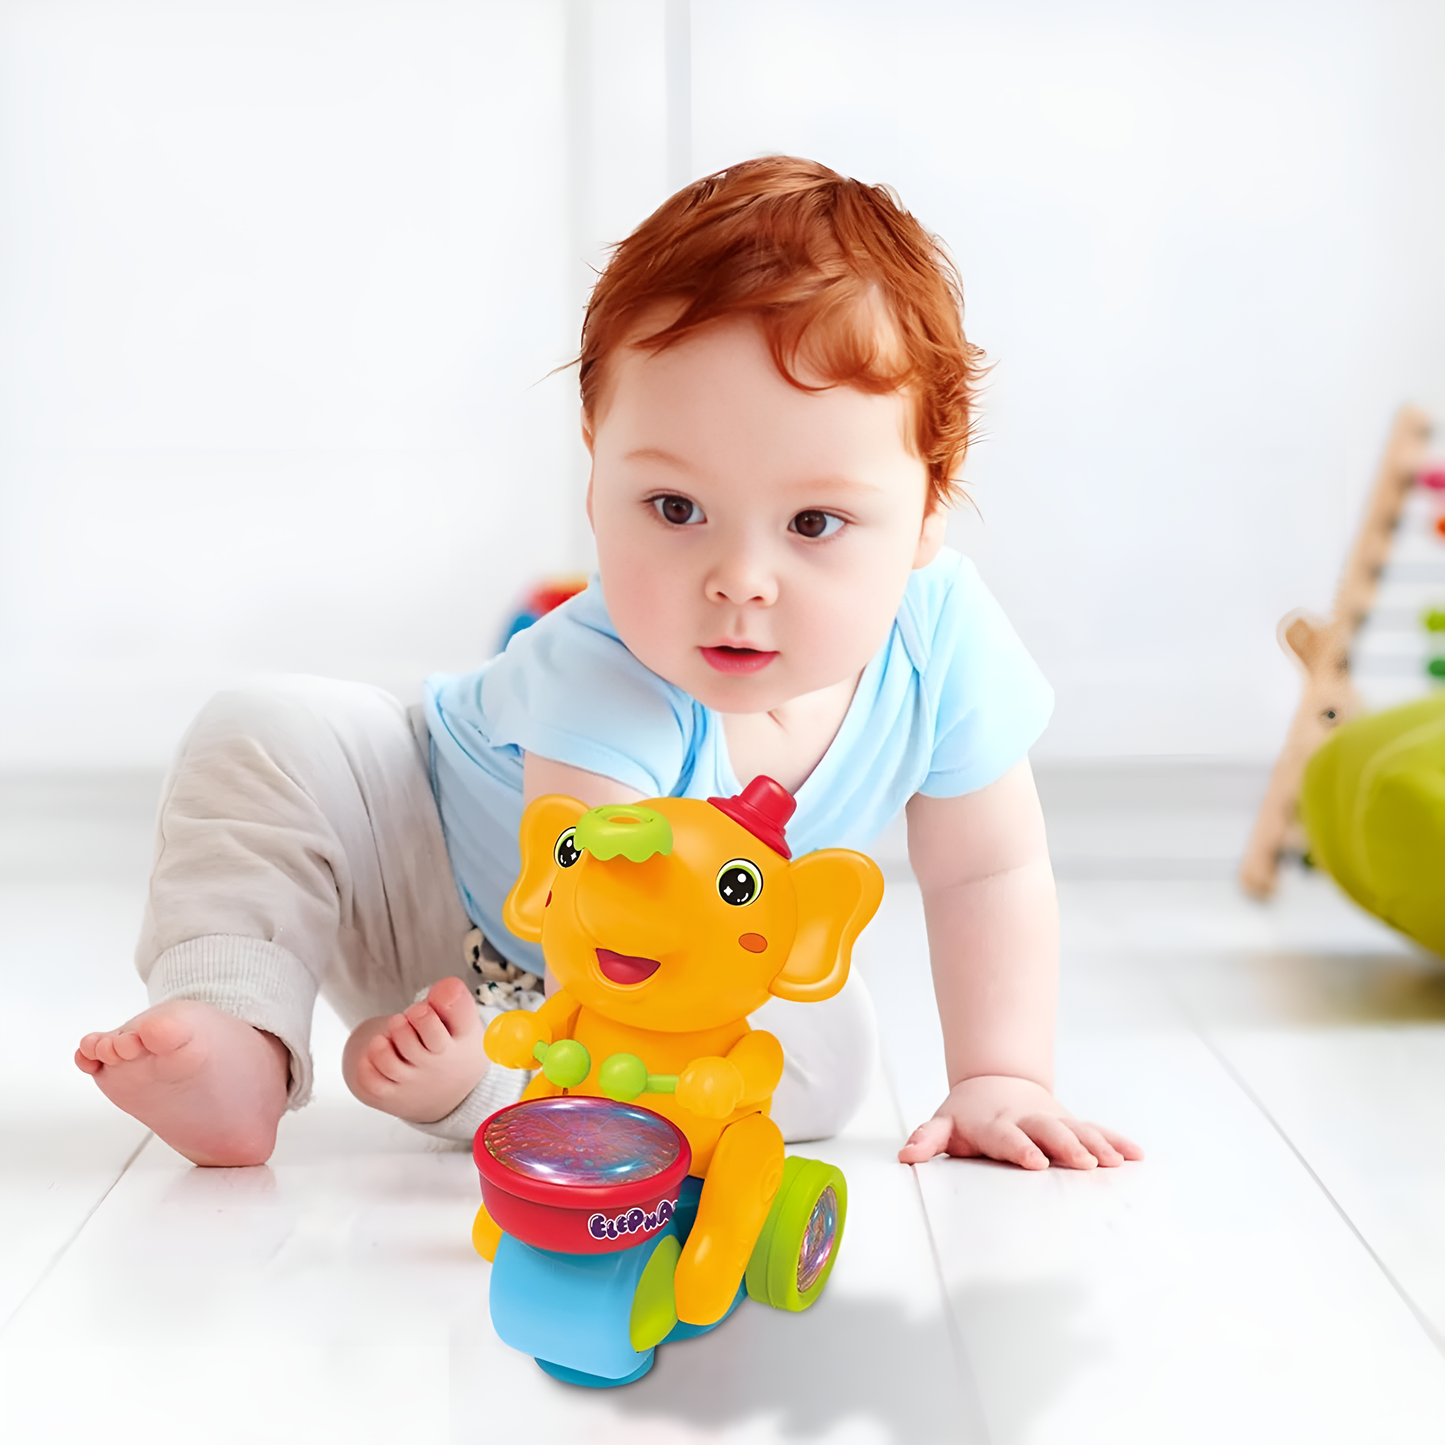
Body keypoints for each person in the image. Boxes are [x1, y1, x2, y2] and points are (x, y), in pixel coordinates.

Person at [75, 156, 1141, 1175]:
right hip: (414, 858)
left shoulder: (941, 641)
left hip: (675, 972)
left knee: (823, 1065)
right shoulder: (607, 667)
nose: (737, 578)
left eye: (813, 521)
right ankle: (235, 1031)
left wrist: (1000, 1074)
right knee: (268, 731)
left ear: (926, 512)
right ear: (596, 478)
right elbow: (596, 907)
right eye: (674, 509)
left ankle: (480, 1086)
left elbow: (985, 869)